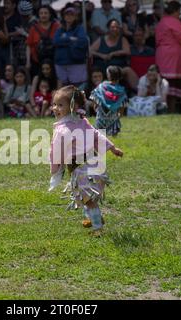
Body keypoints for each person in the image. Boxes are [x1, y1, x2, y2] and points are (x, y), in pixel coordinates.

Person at [49, 85, 124, 236]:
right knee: (85, 196)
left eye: (60, 105)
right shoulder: (82, 121)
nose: (55, 108)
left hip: (82, 168)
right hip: (95, 164)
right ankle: (90, 218)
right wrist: (112, 148)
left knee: (88, 199)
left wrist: (54, 169)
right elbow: (97, 135)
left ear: (73, 106)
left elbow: (55, 151)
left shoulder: (62, 129)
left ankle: (98, 228)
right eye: (54, 104)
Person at [155, 1, 181, 113]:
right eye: (179, 11)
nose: (180, 14)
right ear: (175, 11)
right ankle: (171, 110)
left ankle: (165, 109)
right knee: (172, 85)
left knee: (164, 84)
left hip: (163, 56)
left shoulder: (162, 22)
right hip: (172, 59)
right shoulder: (173, 22)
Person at [53, 6, 88, 87]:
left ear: (75, 17)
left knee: (77, 88)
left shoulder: (79, 28)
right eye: (67, 14)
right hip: (60, 63)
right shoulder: (59, 30)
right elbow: (55, 41)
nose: (69, 16)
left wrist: (64, 40)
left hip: (76, 63)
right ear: (64, 16)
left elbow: (83, 41)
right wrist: (70, 39)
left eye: (72, 14)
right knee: (63, 90)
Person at [90, 66, 128, 137]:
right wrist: (119, 115)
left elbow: (95, 102)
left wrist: (97, 110)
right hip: (113, 120)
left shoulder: (101, 87)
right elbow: (122, 107)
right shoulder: (121, 91)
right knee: (113, 139)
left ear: (108, 75)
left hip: (100, 119)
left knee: (101, 139)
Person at [25, 5, 59, 78]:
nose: (43, 15)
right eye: (41, 13)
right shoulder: (33, 28)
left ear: (50, 14)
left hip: (54, 60)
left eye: (46, 13)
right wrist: (28, 62)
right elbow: (28, 45)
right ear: (38, 15)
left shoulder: (57, 26)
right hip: (37, 62)